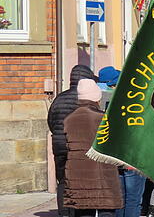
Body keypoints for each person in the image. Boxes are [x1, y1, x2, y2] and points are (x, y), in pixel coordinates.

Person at [63, 79, 123, 216]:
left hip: (76, 176)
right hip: (104, 175)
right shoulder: (103, 119)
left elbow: (62, 149)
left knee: (83, 211)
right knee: (106, 211)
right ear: (97, 98)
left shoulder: (68, 119)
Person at [47, 65, 97, 217]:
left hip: (59, 145)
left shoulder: (59, 98)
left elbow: (51, 121)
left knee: (63, 181)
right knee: (81, 181)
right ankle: (78, 212)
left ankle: (64, 213)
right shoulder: (86, 99)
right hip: (78, 146)